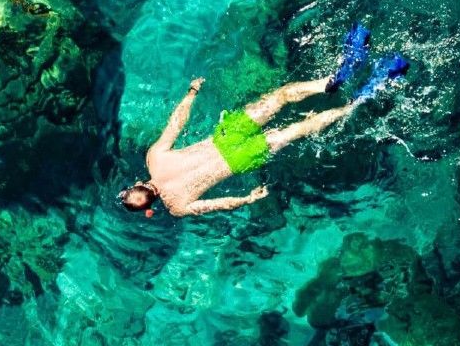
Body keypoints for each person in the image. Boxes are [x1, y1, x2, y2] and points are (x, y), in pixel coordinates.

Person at [118, 32, 410, 217]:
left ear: (150, 209)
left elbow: (215, 205)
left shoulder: (177, 206)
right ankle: (329, 82)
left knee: (297, 130)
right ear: (138, 184)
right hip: (226, 136)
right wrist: (191, 92)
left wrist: (247, 199)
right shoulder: (154, 159)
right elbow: (175, 124)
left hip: (238, 159)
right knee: (280, 97)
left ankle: (358, 100)